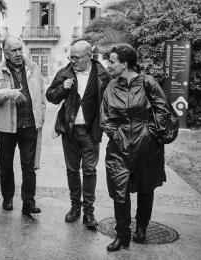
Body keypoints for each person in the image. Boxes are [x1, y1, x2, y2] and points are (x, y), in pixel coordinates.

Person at [100, 44, 170, 251]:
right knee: (119, 189)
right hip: (119, 147)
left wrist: (149, 133)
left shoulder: (147, 82)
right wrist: (116, 134)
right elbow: (104, 117)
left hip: (146, 145)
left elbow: (163, 110)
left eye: (113, 61)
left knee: (145, 187)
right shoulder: (111, 86)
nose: (109, 65)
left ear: (125, 63)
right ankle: (122, 235)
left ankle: (142, 228)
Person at [46, 40, 110, 229]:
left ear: (89, 56)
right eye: (71, 57)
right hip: (70, 131)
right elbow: (50, 96)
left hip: (91, 132)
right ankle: (75, 208)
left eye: (77, 57)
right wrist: (62, 88)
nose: (73, 61)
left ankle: (89, 212)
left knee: (90, 171)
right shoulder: (65, 73)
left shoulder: (102, 76)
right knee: (72, 171)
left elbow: (110, 102)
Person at [0, 37, 46, 215]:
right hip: (6, 127)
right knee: (6, 163)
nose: (18, 54)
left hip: (29, 124)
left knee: (29, 165)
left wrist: (40, 116)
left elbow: (41, 94)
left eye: (20, 49)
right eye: (14, 51)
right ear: (6, 53)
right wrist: (9, 93)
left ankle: (29, 202)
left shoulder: (33, 67)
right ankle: (8, 197)